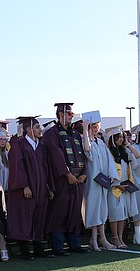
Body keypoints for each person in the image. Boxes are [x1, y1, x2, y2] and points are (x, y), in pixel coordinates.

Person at [42, 103, 90, 255]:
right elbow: (56, 156)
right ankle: (58, 246)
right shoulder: (52, 133)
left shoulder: (75, 134)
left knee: (75, 212)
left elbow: (84, 155)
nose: (71, 116)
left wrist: (84, 173)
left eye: (72, 114)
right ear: (61, 114)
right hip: (62, 181)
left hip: (77, 181)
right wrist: (67, 174)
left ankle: (75, 244)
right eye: (69, 114)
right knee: (59, 213)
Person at [7, 116, 52, 259]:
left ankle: (39, 249)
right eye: (38, 127)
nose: (41, 130)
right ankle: (25, 250)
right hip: (26, 189)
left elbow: (47, 168)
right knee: (25, 217)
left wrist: (48, 186)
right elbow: (17, 168)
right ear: (29, 129)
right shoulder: (19, 145)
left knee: (39, 216)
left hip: (40, 189)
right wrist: (24, 186)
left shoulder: (41, 146)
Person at [81, 120, 118, 251]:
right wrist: (85, 130)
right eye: (94, 127)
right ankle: (94, 239)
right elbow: (87, 151)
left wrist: (112, 175)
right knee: (93, 209)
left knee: (102, 209)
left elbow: (109, 160)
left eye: (97, 127)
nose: (96, 129)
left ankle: (102, 238)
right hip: (92, 180)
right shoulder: (86, 140)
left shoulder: (100, 142)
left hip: (102, 180)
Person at [105, 125, 139, 248]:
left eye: (121, 137)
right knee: (115, 214)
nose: (120, 139)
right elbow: (108, 171)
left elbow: (137, 157)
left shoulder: (124, 152)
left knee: (123, 215)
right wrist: (117, 185)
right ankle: (114, 238)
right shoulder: (109, 152)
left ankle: (120, 237)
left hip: (124, 186)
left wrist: (128, 145)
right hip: (114, 188)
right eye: (118, 137)